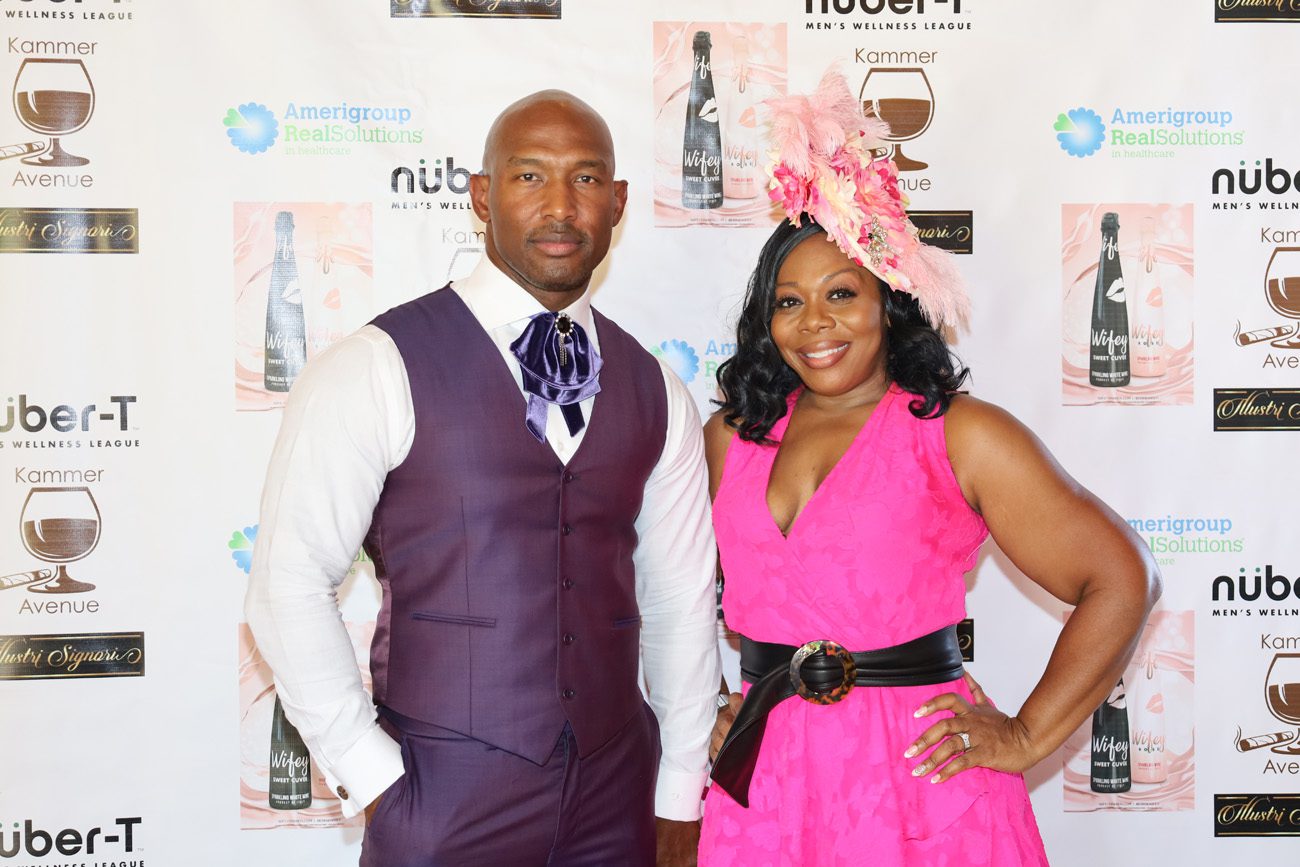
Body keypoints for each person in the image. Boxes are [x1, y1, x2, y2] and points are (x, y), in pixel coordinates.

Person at [697, 70, 1161, 866]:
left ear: (888, 301)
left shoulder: (956, 433)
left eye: (842, 294)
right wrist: (712, 703)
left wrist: (1026, 734)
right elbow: (678, 598)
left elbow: (1122, 576)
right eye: (789, 301)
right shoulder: (728, 438)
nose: (815, 323)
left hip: (919, 785)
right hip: (767, 783)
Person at [245, 90, 720, 866]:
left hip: (619, 794)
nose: (560, 205)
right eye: (530, 175)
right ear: (480, 194)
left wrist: (677, 790)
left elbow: (679, 598)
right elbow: (287, 582)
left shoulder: (656, 388)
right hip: (441, 792)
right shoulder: (376, 366)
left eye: (586, 178)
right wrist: (375, 779)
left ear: (618, 202)